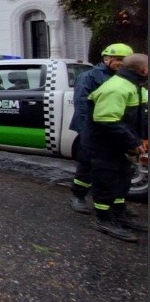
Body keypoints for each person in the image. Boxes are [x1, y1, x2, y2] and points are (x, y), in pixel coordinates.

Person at [87, 53, 148, 242]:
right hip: (105, 144)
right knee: (106, 180)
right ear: (143, 70)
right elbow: (107, 119)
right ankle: (103, 218)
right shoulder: (116, 88)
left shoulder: (135, 87)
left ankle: (119, 214)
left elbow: (140, 116)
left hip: (120, 144)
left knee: (123, 179)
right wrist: (134, 142)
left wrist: (142, 138)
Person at [68, 43, 134, 214]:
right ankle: (78, 196)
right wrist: (85, 132)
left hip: (113, 128)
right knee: (87, 164)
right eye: (119, 59)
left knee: (118, 167)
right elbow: (82, 104)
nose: (122, 63)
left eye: (125, 60)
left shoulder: (124, 77)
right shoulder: (89, 77)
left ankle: (117, 204)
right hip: (93, 129)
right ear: (107, 58)